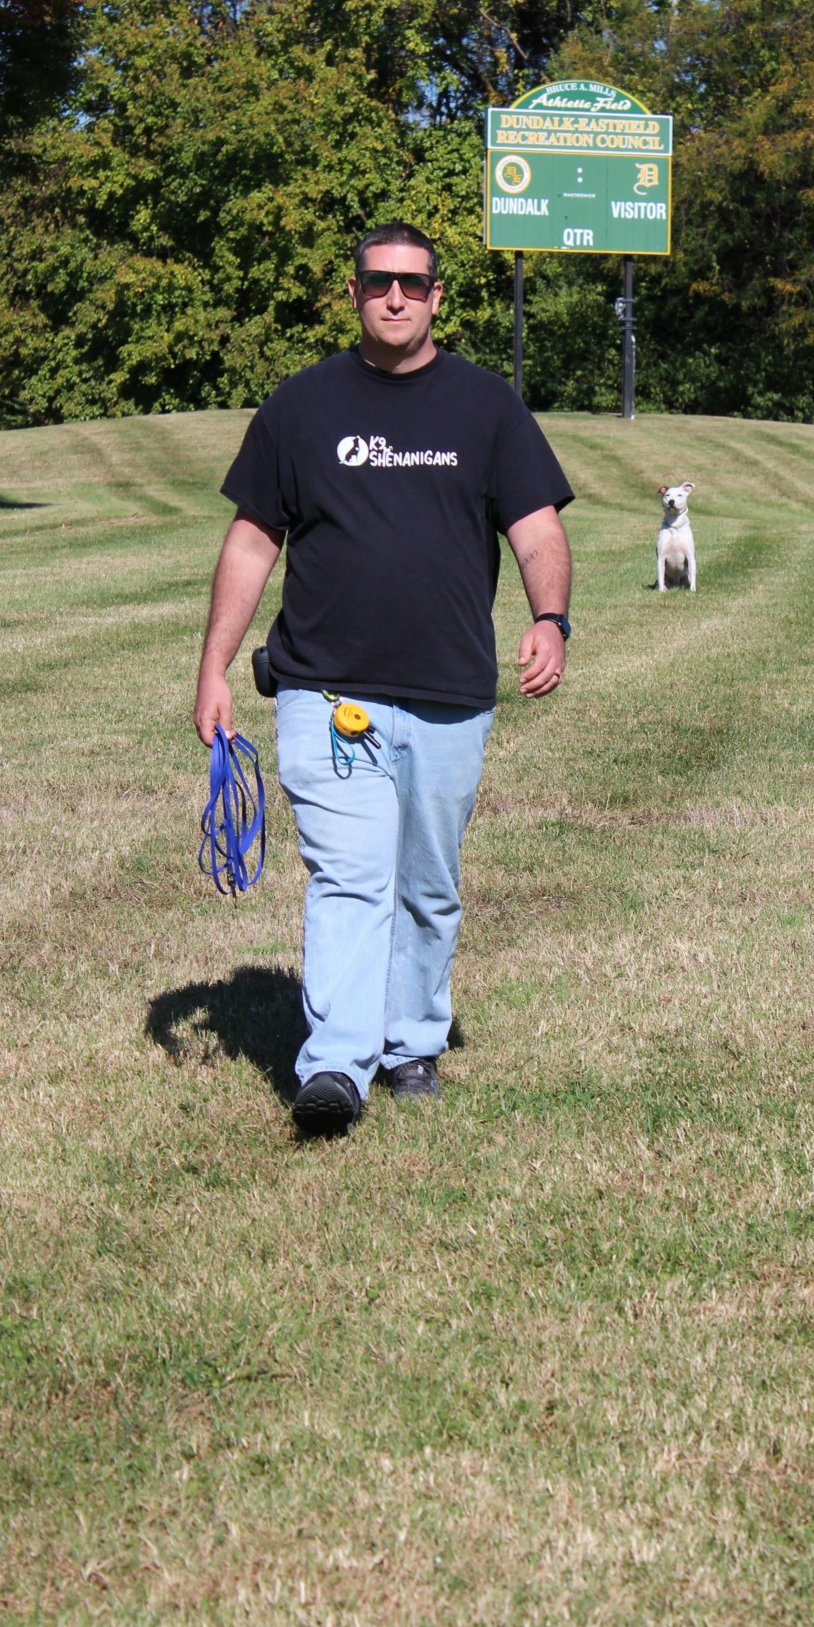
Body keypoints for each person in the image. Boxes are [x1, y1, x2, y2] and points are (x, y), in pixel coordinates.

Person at [193, 222, 573, 1137]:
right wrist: (213, 665)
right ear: (354, 292)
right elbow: (251, 540)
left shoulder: (486, 407)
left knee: (427, 887)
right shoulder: (301, 406)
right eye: (377, 282)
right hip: (328, 688)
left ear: (437, 296)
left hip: (449, 693)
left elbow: (536, 528)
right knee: (351, 875)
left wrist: (550, 618)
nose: (394, 297)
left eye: (411, 283)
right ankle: (335, 1065)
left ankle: (412, 1045)